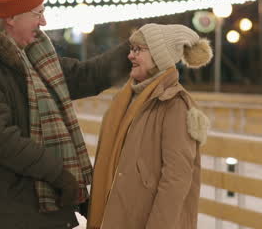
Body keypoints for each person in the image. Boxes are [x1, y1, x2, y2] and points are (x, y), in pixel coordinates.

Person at [0, 0, 131, 228]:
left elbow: (86, 75)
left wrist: (136, 47)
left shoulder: (35, 58)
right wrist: (60, 175)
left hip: (44, 209)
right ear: (12, 17)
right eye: (38, 13)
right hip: (7, 214)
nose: (43, 22)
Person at [87, 24, 213, 229]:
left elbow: (176, 179)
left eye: (138, 50)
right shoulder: (126, 99)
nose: (130, 56)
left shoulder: (174, 105)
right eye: (131, 49)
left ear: (158, 56)